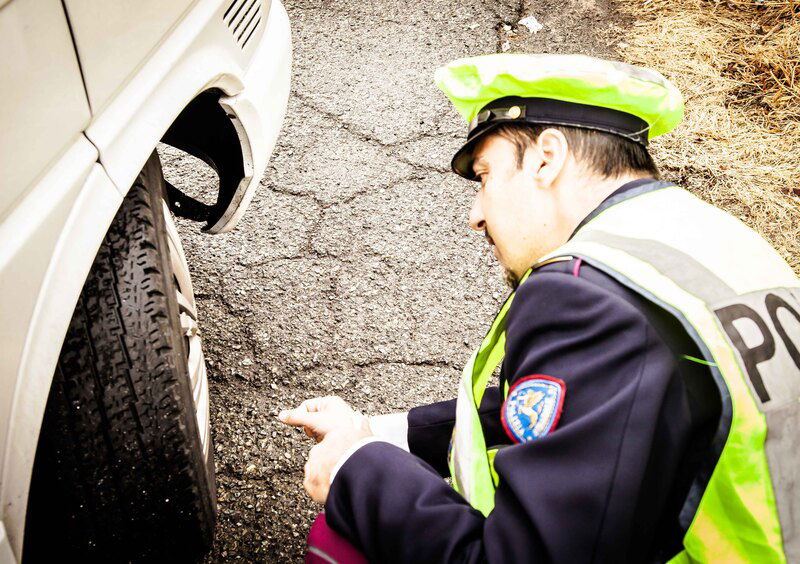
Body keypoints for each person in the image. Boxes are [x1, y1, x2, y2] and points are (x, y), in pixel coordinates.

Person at [279, 53, 799, 563]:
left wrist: (356, 467)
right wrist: (378, 432)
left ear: (546, 158)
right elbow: (592, 417)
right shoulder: (713, 240)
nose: (475, 215)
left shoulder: (587, 293)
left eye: (485, 176)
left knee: (340, 538)